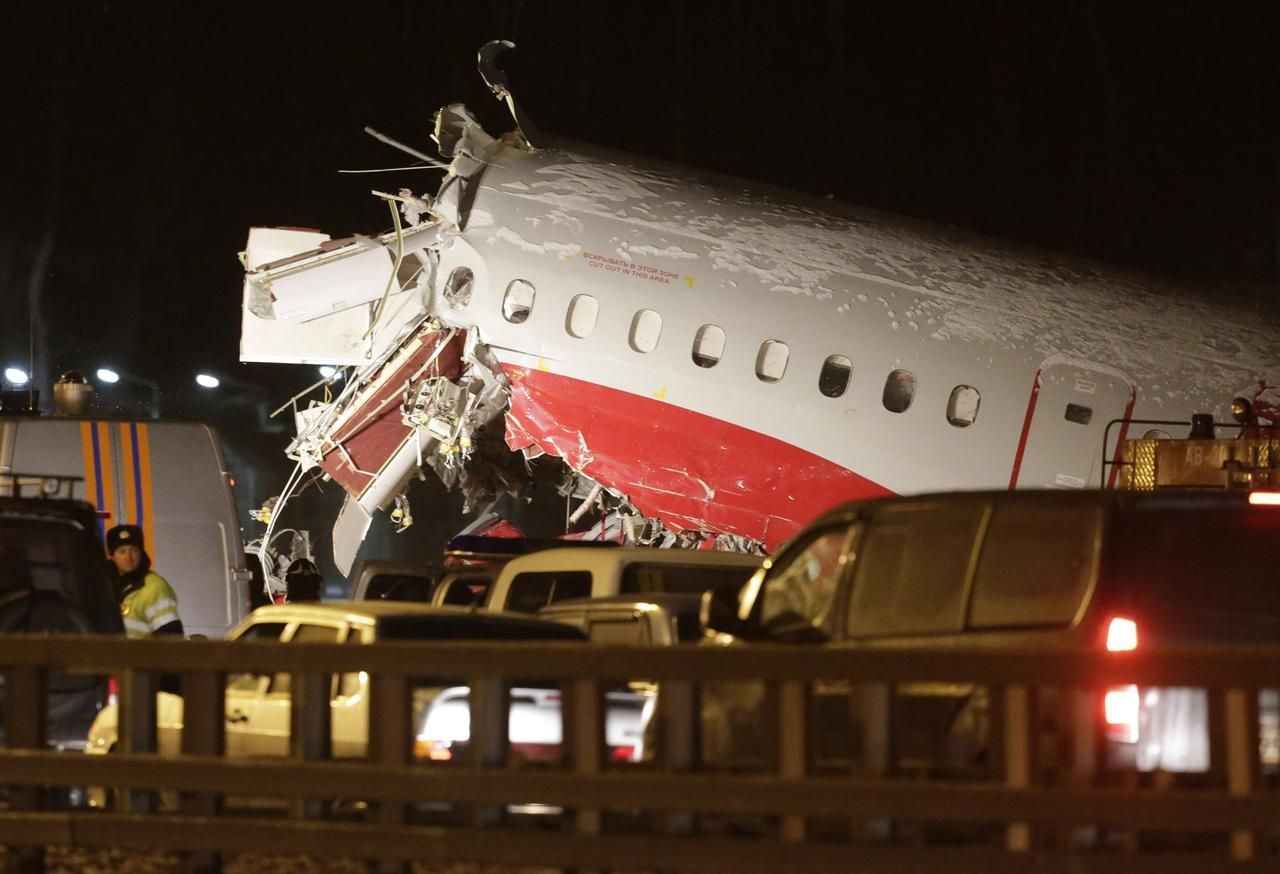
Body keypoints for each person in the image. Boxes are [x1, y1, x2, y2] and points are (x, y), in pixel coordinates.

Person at [106, 524, 184, 638]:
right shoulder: (101, 587)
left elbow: (171, 640)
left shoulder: (154, 587)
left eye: (134, 551)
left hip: (139, 656)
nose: (129, 557)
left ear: (141, 553)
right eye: (122, 552)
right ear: (112, 556)